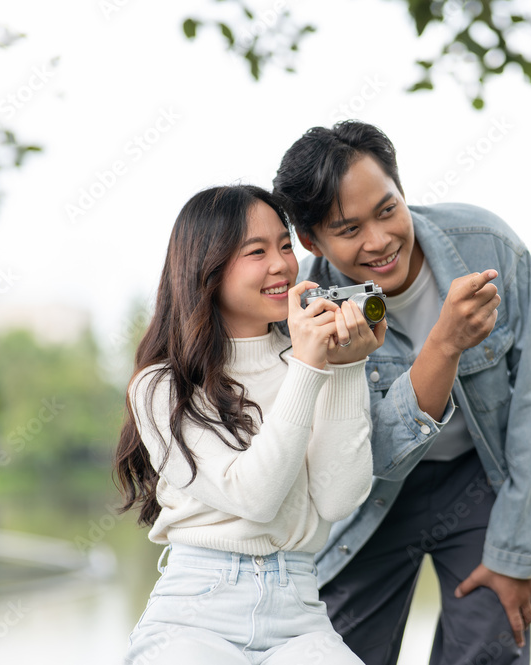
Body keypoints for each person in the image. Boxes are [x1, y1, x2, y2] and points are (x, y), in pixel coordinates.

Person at [273, 121, 531, 665]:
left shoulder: (489, 246)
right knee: (334, 653)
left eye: (387, 210)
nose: (379, 241)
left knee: (490, 645)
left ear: (402, 191)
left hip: (480, 478)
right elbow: (373, 458)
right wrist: (444, 343)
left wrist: (517, 553)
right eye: (349, 229)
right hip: (368, 497)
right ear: (312, 241)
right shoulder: (306, 314)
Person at [114, 184, 386, 664]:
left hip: (299, 612)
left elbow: (338, 499)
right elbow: (254, 498)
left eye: (285, 245)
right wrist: (308, 366)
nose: (281, 265)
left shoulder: (311, 361)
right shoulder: (162, 386)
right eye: (256, 252)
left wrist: (346, 367)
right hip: (195, 613)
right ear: (207, 267)